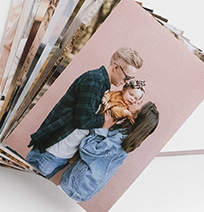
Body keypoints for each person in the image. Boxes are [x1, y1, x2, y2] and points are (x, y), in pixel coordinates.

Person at [25, 47, 143, 177]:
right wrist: (106, 120)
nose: (127, 82)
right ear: (116, 67)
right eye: (127, 77)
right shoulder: (94, 81)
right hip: (52, 151)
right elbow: (83, 121)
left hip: (62, 153)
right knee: (24, 185)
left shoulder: (104, 86)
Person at [58, 101, 160, 202]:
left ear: (136, 116)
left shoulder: (119, 140)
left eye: (139, 104)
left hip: (76, 185)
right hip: (82, 185)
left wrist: (104, 128)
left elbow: (88, 150)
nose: (135, 101)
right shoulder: (124, 136)